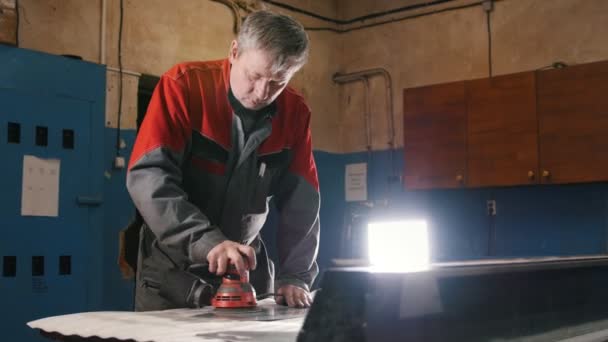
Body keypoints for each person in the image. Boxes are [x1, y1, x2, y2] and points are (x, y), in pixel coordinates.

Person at [126, 10, 320, 311]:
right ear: (233, 52)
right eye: (254, 76)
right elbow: (150, 179)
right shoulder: (183, 87)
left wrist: (295, 275)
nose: (261, 93)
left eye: (277, 83)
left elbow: (302, 203)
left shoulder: (295, 114)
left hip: (248, 277)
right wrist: (207, 242)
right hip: (173, 275)